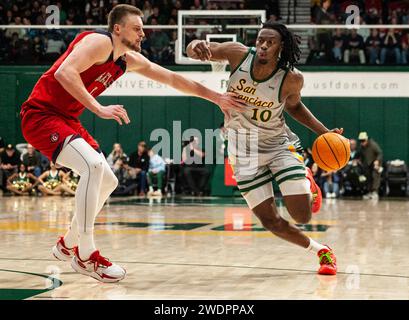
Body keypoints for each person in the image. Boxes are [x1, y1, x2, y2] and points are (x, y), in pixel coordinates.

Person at [20, 4, 245, 283]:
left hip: (66, 119)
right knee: (92, 166)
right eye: (137, 28)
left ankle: (67, 243)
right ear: (118, 28)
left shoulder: (128, 60)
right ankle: (86, 255)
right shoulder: (99, 42)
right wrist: (98, 108)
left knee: (108, 180)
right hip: (41, 115)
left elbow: (174, 78)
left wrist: (218, 98)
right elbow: (64, 73)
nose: (143, 34)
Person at [187, 20, 344, 275]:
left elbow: (294, 108)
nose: (263, 45)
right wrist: (196, 45)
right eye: (260, 40)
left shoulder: (291, 78)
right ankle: (321, 251)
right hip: (242, 152)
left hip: (278, 145)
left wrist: (324, 133)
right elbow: (194, 49)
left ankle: (306, 177)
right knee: (270, 221)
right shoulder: (237, 54)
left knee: (302, 216)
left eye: (270, 42)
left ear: (281, 47)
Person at [358, 132, 383, 200]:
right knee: (368, 177)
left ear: (366, 139)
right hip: (367, 164)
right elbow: (360, 155)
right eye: (360, 141)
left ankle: (375, 192)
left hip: (375, 163)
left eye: (363, 140)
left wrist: (377, 160)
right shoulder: (361, 147)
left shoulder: (373, 144)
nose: (362, 142)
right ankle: (369, 192)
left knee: (375, 176)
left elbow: (380, 153)